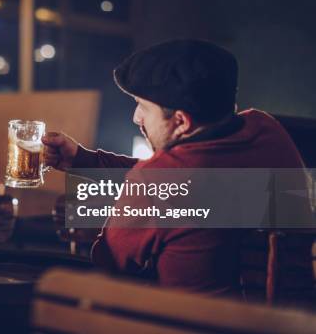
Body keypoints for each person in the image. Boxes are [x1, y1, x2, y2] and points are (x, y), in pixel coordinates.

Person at [42, 39, 309, 295]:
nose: (137, 118)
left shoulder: (155, 182)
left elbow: (108, 263)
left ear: (181, 121)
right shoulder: (266, 129)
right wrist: (83, 160)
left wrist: (108, 221)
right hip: (287, 321)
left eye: (143, 106)